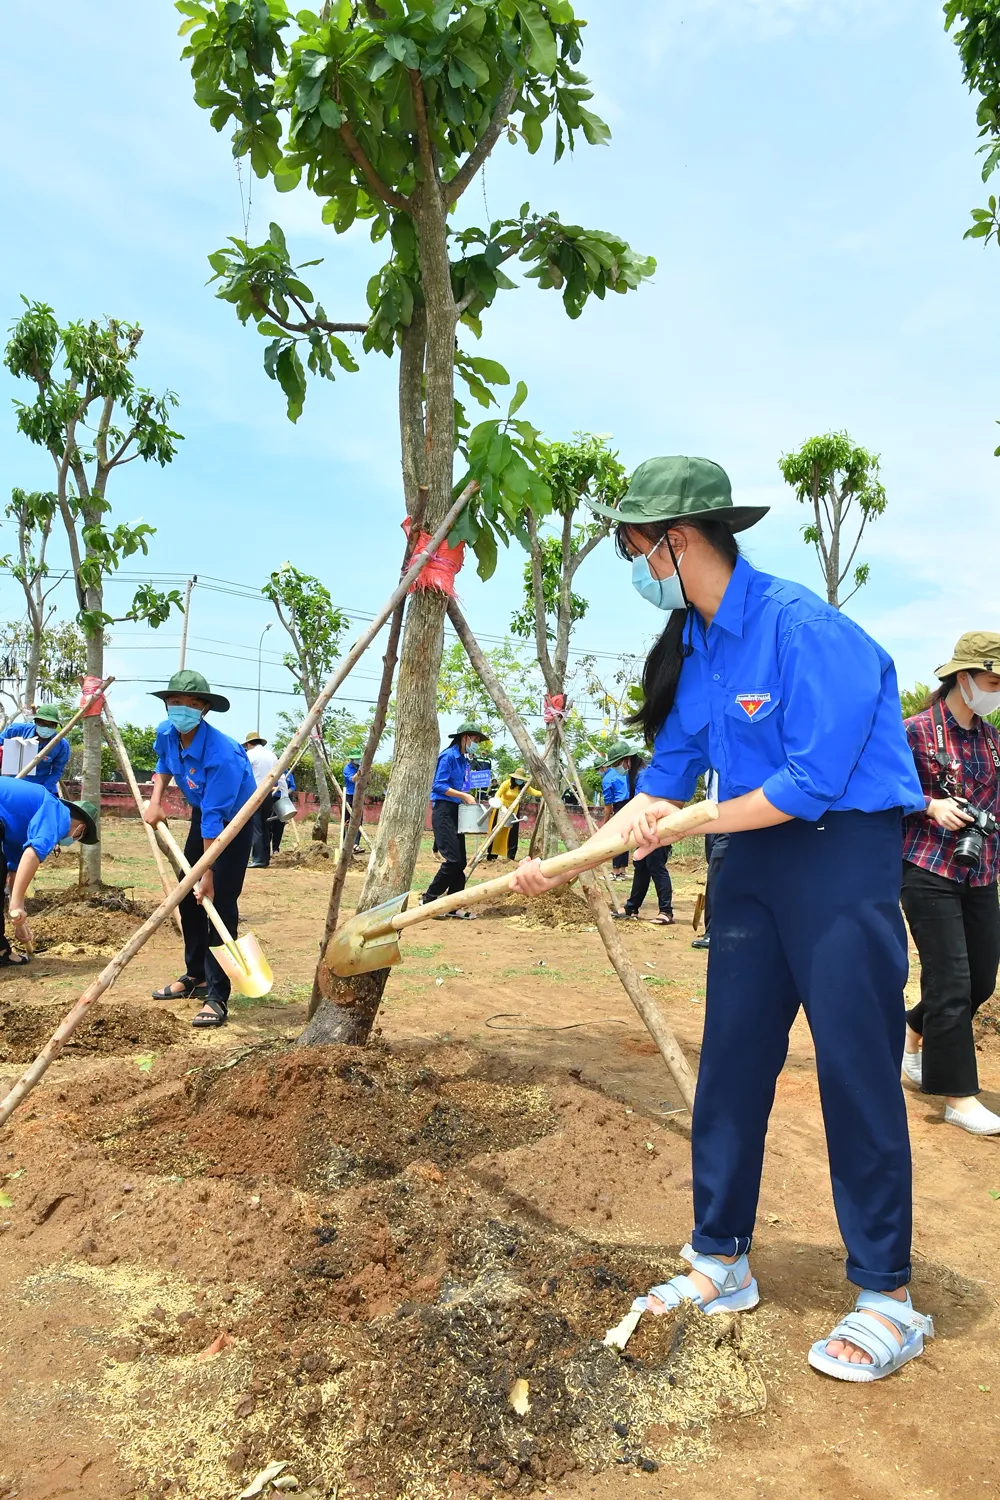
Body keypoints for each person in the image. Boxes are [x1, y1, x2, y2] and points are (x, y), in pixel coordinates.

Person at [511, 454, 933, 1382]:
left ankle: (887, 1296)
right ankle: (721, 1257)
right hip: (746, 864)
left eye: (635, 547)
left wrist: (694, 822)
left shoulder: (804, 629)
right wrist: (566, 860)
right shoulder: (699, 645)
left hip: (836, 856)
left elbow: (811, 781)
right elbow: (661, 786)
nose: (635, 564)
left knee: (855, 1066)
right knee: (733, 1062)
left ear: (679, 539)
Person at [898, 634, 1000, 1135]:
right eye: (993, 682)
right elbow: (881, 788)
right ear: (964, 678)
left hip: (981, 869)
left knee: (980, 980)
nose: (997, 692)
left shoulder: (992, 740)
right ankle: (959, 1097)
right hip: (927, 867)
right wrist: (929, 805)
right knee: (952, 980)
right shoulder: (915, 731)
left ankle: (913, 1027)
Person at [144, 671, 256, 1028]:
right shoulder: (167, 732)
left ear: (204, 709)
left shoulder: (223, 755)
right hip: (204, 814)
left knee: (218, 900)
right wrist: (155, 801)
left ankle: (217, 995)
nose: (183, 709)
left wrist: (207, 874)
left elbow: (215, 819)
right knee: (186, 893)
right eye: (176, 702)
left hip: (234, 821)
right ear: (167, 704)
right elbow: (164, 764)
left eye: (192, 704)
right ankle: (197, 975)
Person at [0, 780, 98, 965]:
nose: (72, 841)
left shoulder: (27, 821)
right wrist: (16, 905)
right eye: (79, 838)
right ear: (81, 829)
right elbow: (32, 854)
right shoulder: (58, 814)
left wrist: (20, 922)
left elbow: (15, 869)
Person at [422, 721, 488, 913]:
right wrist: (463, 796)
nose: (476, 744)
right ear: (465, 737)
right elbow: (438, 785)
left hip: (456, 811)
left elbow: (461, 787)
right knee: (452, 860)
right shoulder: (448, 756)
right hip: (443, 811)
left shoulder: (464, 761)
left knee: (460, 862)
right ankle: (428, 899)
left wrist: (467, 797)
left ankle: (453, 906)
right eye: (475, 740)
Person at [693, 770, 728, 950]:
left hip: (731, 819)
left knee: (716, 874)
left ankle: (713, 933)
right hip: (711, 821)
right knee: (714, 872)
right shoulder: (708, 764)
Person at [243, 731, 288, 869]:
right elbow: (281, 777)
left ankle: (257, 859)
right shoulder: (272, 755)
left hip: (254, 793)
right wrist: (284, 794)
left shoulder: (250, 755)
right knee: (264, 826)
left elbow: (242, 773)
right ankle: (265, 859)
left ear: (249, 744)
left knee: (256, 827)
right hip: (268, 794)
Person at [0, 706, 70, 794]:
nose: (46, 728)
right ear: (36, 721)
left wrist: (44, 790)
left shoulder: (62, 745)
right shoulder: (16, 730)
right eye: (43, 724)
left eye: (51, 725)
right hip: (11, 783)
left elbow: (57, 771)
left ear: (56, 726)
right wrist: (9, 745)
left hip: (38, 787)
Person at [600, 739, 640, 878]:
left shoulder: (607, 779)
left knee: (618, 838)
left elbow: (608, 804)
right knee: (626, 837)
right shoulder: (628, 772)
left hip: (621, 806)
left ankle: (616, 871)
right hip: (632, 803)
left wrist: (606, 823)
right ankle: (622, 870)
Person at [486, 769, 540, 862]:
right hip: (501, 809)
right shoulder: (506, 783)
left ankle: (511, 857)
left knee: (512, 833)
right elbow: (497, 795)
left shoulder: (523, 786)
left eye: (521, 779)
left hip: (514, 810)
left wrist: (546, 792)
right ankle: (492, 856)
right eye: (518, 779)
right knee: (497, 832)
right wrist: (501, 806)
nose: (519, 781)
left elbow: (535, 792)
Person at [270, 769, 297, 855]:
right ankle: (265, 849)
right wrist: (277, 789)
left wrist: (287, 791)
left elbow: (292, 786)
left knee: (279, 825)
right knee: (269, 825)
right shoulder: (273, 772)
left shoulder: (288, 773)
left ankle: (275, 849)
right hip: (271, 799)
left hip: (283, 801)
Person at [342, 748, 363, 854]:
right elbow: (353, 779)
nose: (357, 760)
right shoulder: (347, 768)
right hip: (349, 796)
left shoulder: (361, 767)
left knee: (359, 820)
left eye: (358, 758)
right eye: (356, 759)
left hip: (359, 796)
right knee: (347, 820)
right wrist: (360, 771)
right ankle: (345, 843)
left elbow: (368, 781)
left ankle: (356, 844)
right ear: (351, 759)